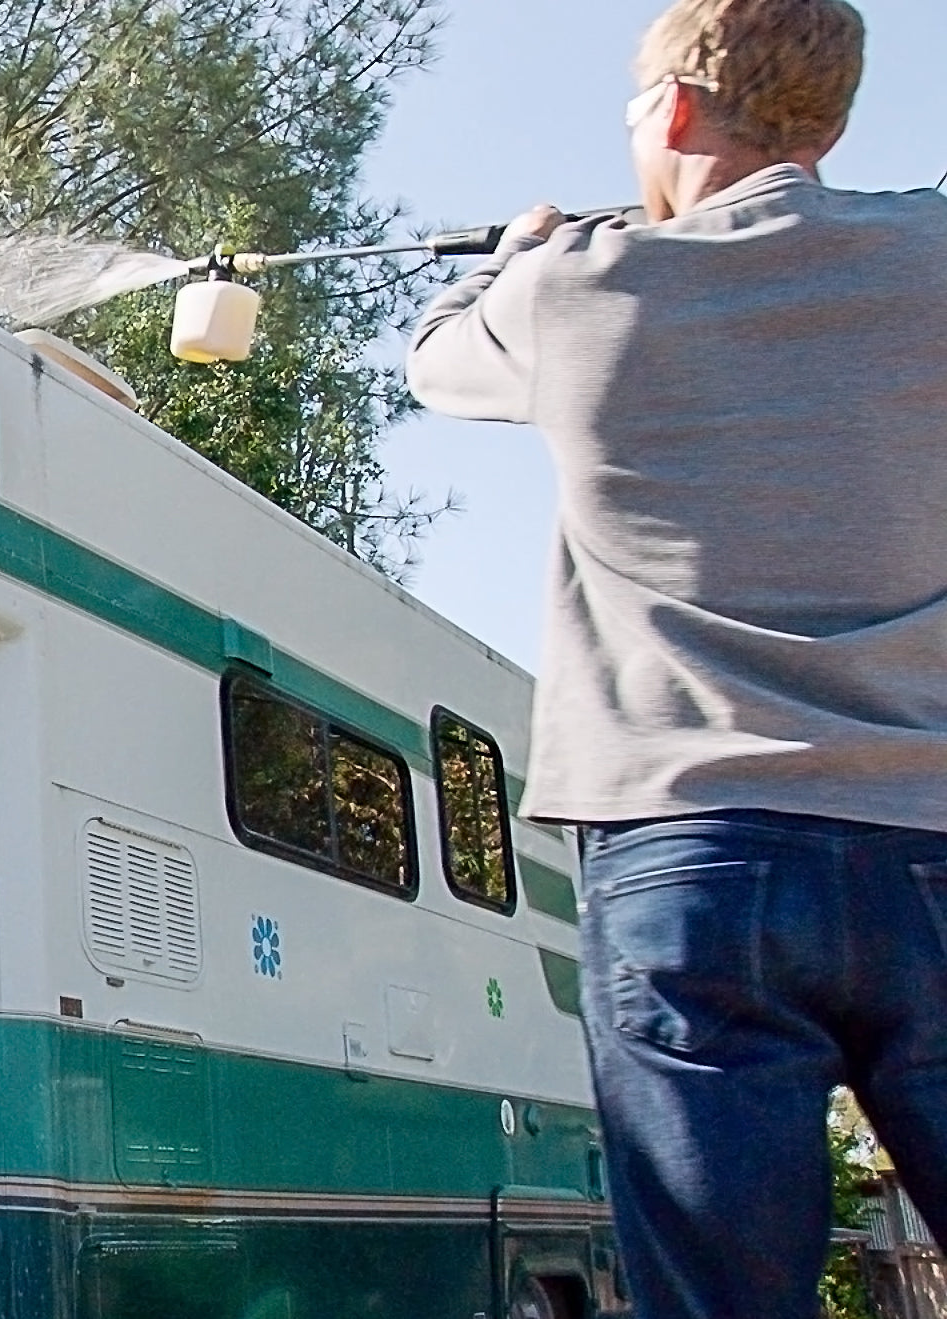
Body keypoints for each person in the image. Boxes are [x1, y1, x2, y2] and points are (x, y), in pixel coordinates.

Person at [405, 1, 947, 1315]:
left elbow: (434, 364)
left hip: (692, 858)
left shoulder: (576, 283)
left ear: (678, 108)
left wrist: (518, 252)